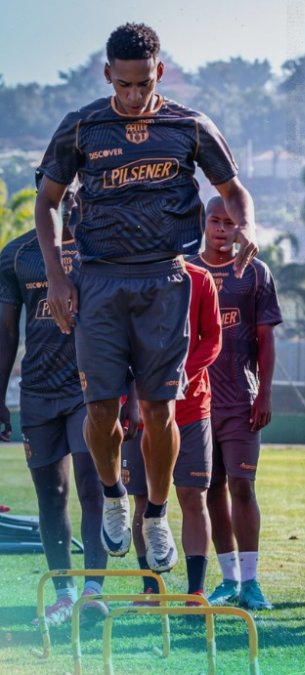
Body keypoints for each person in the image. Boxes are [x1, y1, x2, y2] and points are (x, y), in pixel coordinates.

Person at [33, 22, 258, 573]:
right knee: (101, 408)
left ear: (160, 71)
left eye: (143, 84)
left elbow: (232, 190)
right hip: (100, 280)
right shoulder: (81, 126)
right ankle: (114, 496)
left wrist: (248, 223)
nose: (133, 96)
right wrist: (58, 280)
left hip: (164, 279)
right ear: (109, 73)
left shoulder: (190, 125)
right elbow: (47, 204)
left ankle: (156, 514)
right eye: (124, 84)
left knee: (160, 410)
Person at [0, 179, 108, 625]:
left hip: (88, 389)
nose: (69, 200)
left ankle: (92, 591)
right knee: (51, 495)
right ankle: (62, 594)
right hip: (38, 393)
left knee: (90, 485)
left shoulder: (101, 250)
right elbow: (7, 333)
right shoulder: (17, 255)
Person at [191, 196, 282, 610]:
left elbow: (266, 339)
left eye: (229, 222)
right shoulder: (188, 272)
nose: (222, 229)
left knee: (242, 487)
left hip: (241, 401)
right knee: (211, 489)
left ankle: (251, 583)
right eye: (215, 220)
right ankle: (227, 581)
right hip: (196, 401)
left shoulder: (255, 272)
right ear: (205, 222)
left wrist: (264, 392)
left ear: (238, 227)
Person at [123, 260, 221, 599]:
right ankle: (151, 588)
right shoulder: (132, 277)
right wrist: (134, 395)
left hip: (192, 407)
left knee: (193, 495)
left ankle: (196, 590)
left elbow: (213, 338)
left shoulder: (200, 279)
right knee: (141, 499)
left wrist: (178, 377)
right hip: (138, 410)